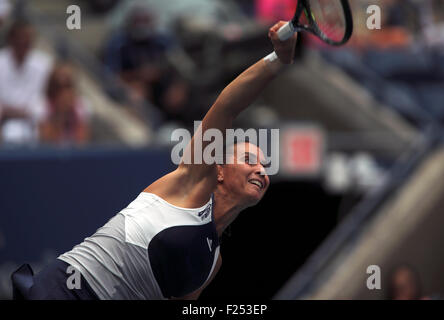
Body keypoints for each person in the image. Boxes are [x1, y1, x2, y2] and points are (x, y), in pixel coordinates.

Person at [11, 21, 297, 300]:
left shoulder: (213, 263)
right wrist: (276, 60)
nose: (261, 169)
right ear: (218, 170)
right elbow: (227, 105)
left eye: (265, 165)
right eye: (249, 159)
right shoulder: (190, 182)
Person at [0, 19, 53, 145]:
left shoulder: (44, 64)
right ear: (11, 39)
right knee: (12, 133)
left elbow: (48, 100)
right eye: (20, 38)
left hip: (35, 122)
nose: (24, 42)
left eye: (28, 38)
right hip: (3, 120)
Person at [39, 63, 91, 146]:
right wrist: (60, 113)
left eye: (68, 85)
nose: (64, 92)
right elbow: (46, 142)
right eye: (59, 86)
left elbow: (82, 143)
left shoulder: (82, 105)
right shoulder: (41, 105)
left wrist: (70, 112)